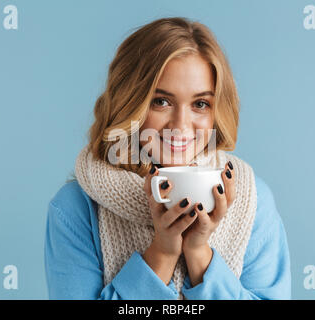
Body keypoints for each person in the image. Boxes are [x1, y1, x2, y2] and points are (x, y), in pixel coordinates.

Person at [44, 17, 291, 300]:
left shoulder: (251, 201)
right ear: (129, 103)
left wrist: (199, 255)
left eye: (200, 104)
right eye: (161, 101)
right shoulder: (75, 208)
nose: (181, 126)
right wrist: (161, 253)